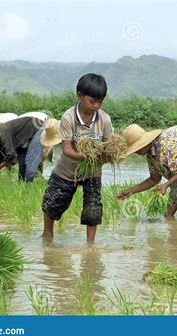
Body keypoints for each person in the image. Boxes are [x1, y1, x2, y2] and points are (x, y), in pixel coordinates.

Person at [41, 74, 113, 242]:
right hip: (66, 171)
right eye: (92, 101)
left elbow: (109, 146)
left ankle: (90, 246)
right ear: (79, 95)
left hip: (92, 173)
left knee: (93, 209)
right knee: (52, 203)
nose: (96, 106)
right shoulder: (69, 117)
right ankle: (47, 235)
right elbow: (66, 149)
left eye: (100, 102)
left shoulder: (104, 119)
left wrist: (105, 157)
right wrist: (87, 156)